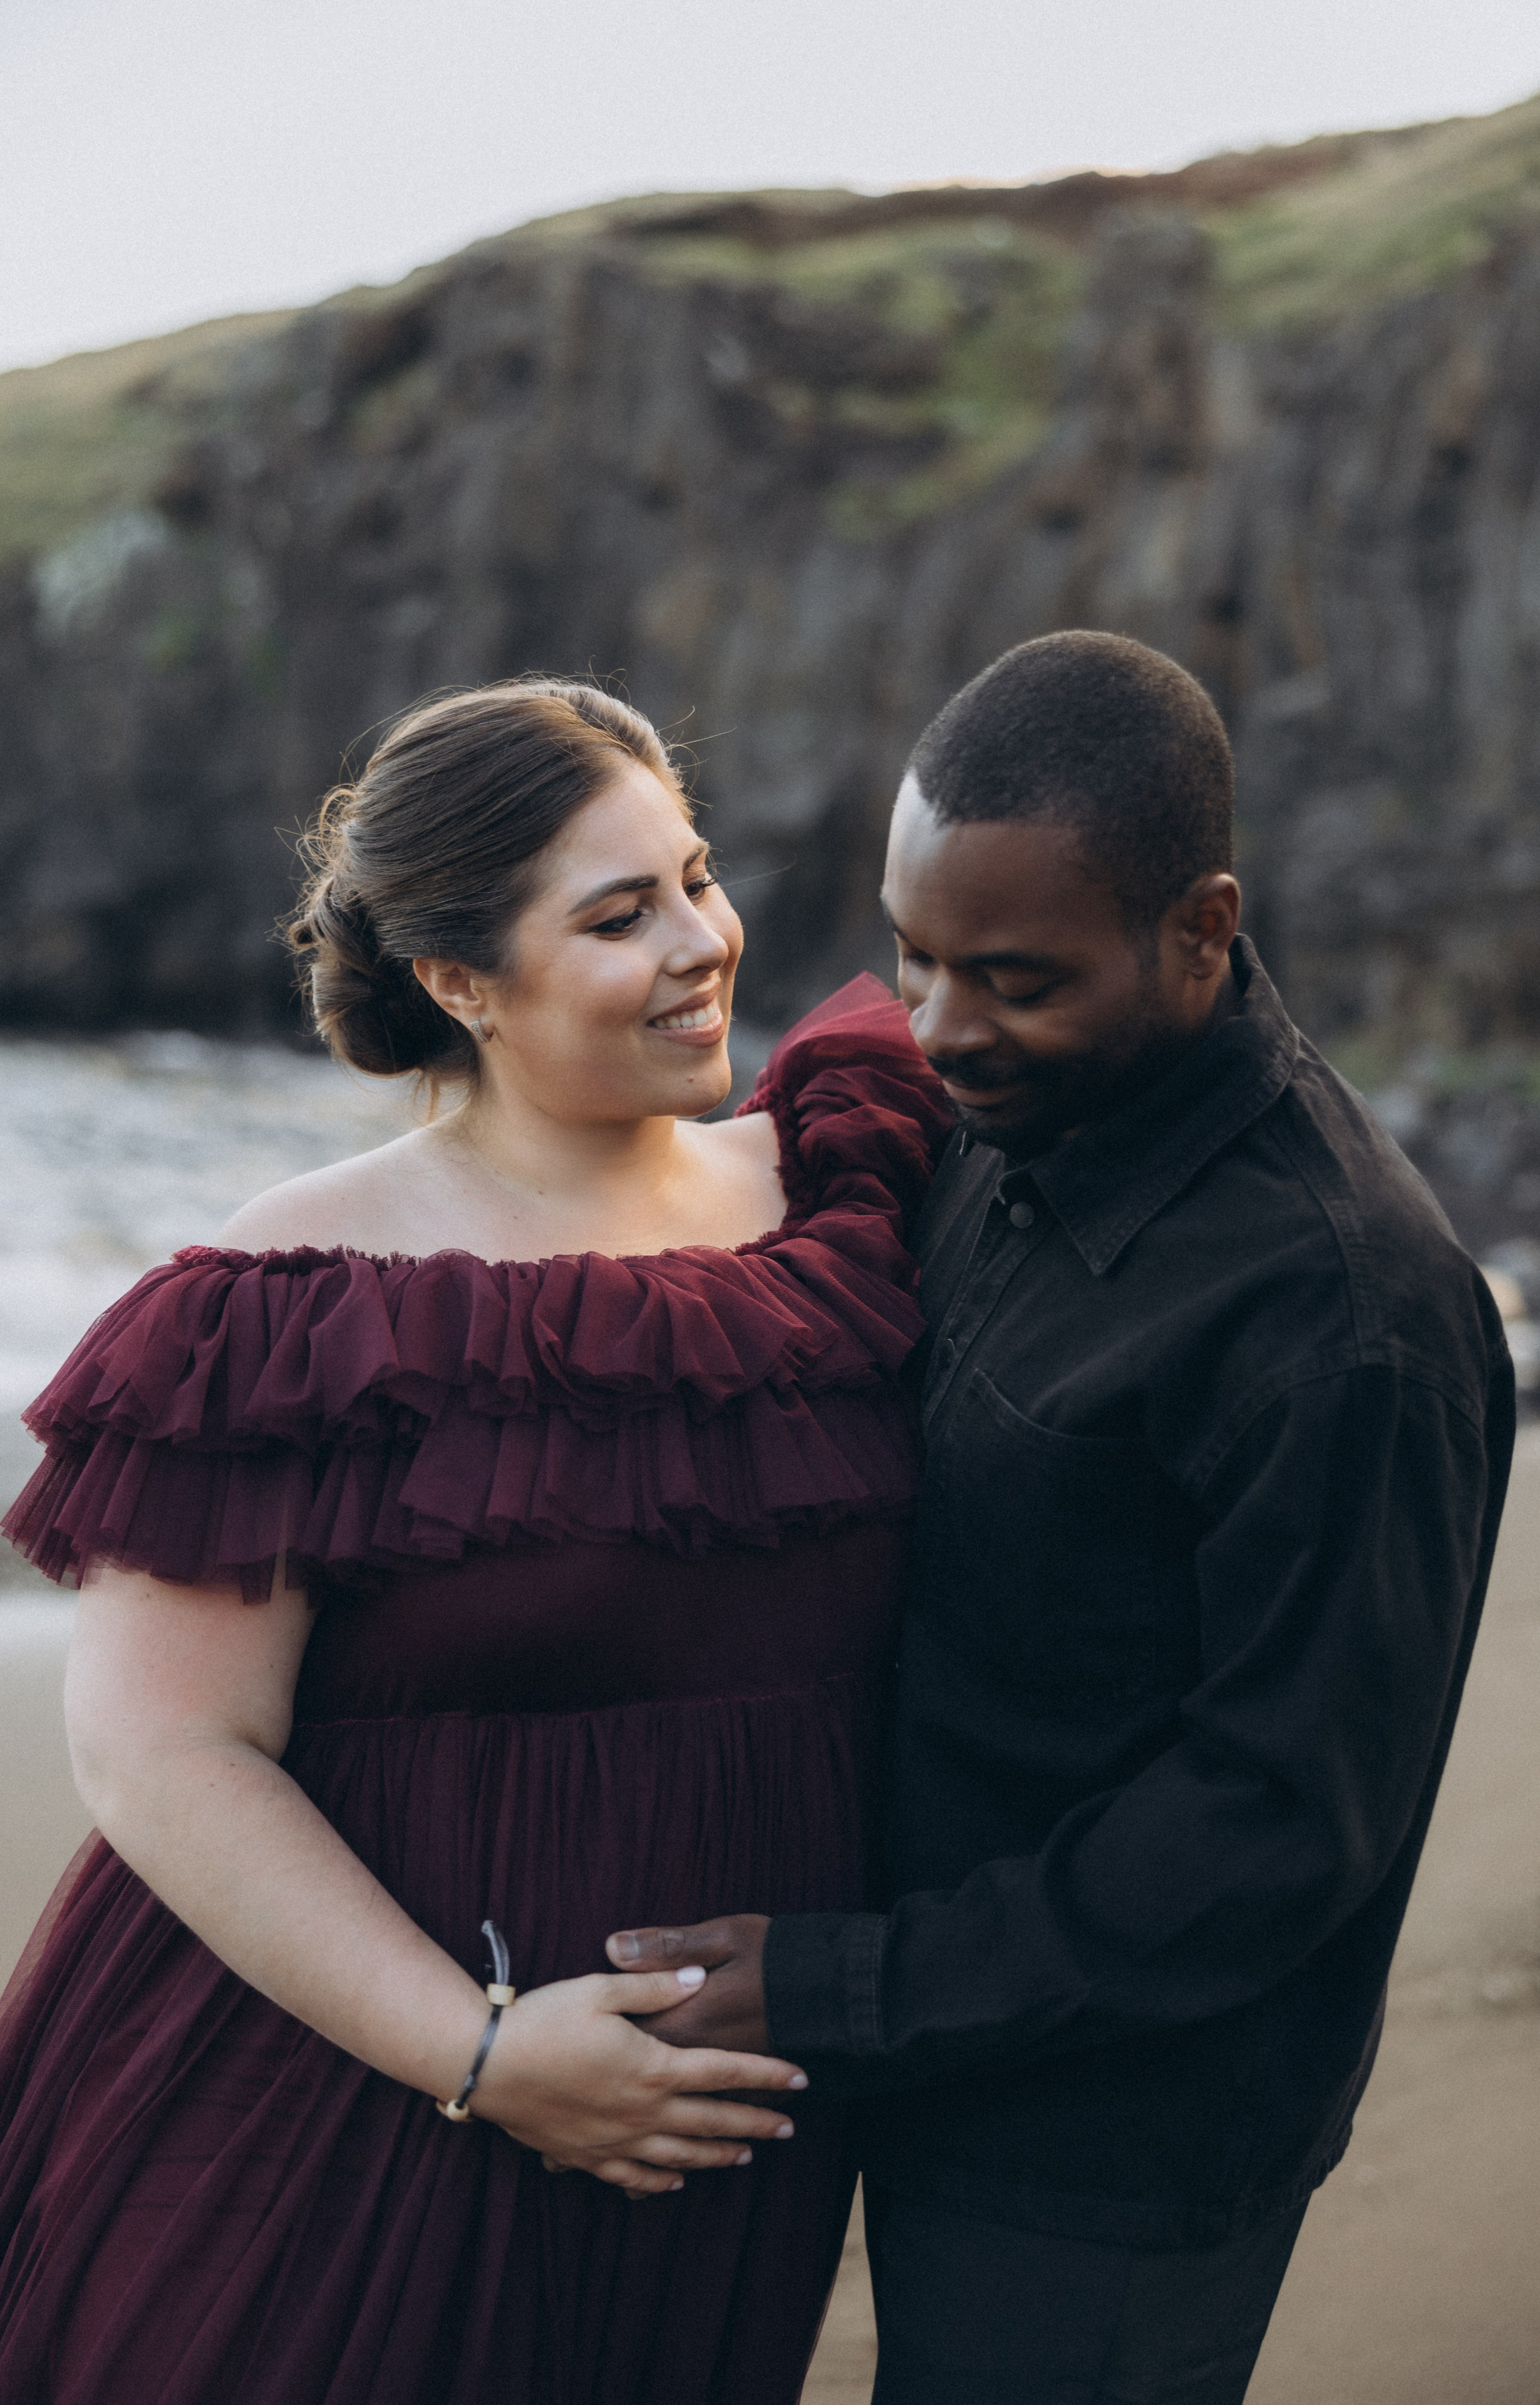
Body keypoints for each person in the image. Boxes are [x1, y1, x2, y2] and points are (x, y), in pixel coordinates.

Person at [0, 680, 951, 2405]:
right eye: (620, 915)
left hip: (712, 2134)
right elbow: (160, 1748)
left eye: (695, 877)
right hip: (334, 2101)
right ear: (459, 982)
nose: (704, 940)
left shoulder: (839, 1200)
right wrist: (481, 2054)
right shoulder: (298, 1300)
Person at [607, 633, 1516, 2405]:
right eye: (913, 952)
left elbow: (1266, 1835)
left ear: (1201, 929)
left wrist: (844, 1988)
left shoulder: (1346, 1322)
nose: (941, 1027)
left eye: (1014, 978)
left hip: (1114, 2146)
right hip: (892, 2022)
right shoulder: (995, 1111)